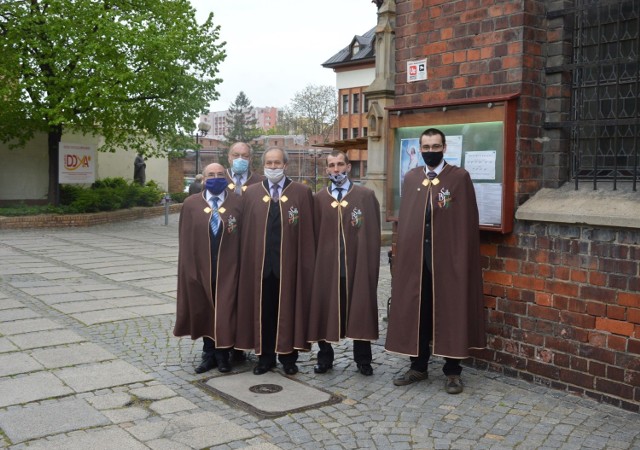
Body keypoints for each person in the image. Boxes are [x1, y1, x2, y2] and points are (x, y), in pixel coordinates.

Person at [385, 128, 485, 394]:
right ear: (419, 149)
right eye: (426, 147)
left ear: (444, 148)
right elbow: (407, 221)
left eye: (435, 146)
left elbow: (466, 222)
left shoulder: (459, 178)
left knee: (451, 311)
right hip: (417, 262)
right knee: (419, 311)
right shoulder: (412, 177)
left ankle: (452, 371)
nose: (430, 151)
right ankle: (418, 366)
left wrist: (460, 258)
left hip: (448, 261)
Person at [235, 147, 314, 375]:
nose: (273, 167)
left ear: (285, 165)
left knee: (288, 311)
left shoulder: (300, 192)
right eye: (269, 163)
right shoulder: (250, 193)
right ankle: (265, 358)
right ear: (263, 166)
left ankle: (289, 358)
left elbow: (308, 232)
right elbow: (245, 232)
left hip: (288, 266)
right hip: (260, 267)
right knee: (264, 313)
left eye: (277, 163)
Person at [307, 150, 381, 376]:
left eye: (340, 164)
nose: (336, 169)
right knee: (325, 308)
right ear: (327, 168)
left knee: (360, 308)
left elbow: (374, 234)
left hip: (356, 264)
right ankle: (325, 358)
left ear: (349, 167)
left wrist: (369, 265)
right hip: (327, 266)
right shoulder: (319, 199)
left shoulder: (365, 196)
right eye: (332, 165)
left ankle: (363, 359)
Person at [174, 163, 243, 374]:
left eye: (220, 175)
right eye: (211, 175)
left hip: (229, 268)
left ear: (227, 178)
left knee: (225, 310)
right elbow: (185, 239)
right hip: (201, 267)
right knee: (205, 308)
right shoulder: (191, 204)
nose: (215, 178)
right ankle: (209, 353)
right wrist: (188, 269)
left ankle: (224, 354)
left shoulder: (238, 203)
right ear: (203, 179)